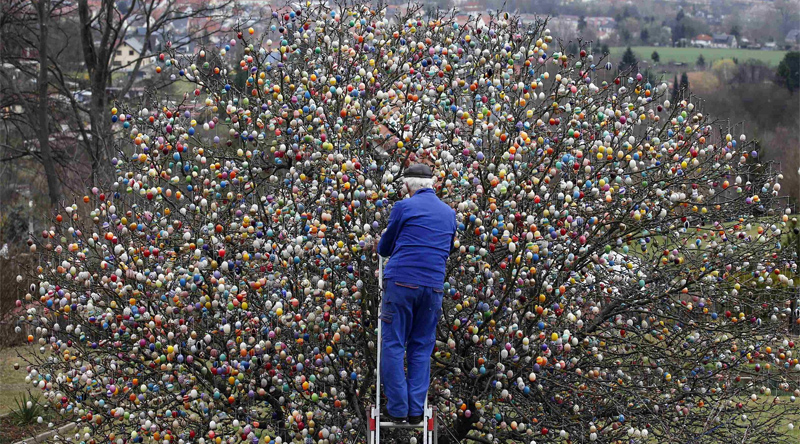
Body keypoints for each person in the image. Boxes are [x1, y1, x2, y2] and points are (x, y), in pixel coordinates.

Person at [376, 163, 457, 425]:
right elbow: (447, 248)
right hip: (433, 286)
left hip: (401, 283)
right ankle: (415, 411)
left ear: (410, 185)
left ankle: (398, 409)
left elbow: (385, 248)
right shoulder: (448, 213)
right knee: (421, 346)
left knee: (393, 343)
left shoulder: (404, 207)